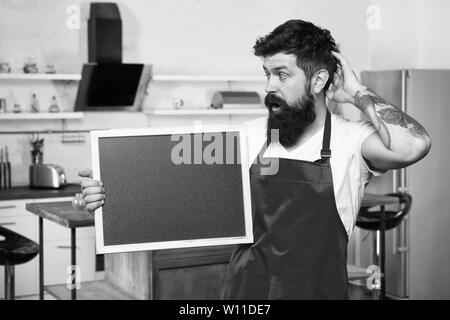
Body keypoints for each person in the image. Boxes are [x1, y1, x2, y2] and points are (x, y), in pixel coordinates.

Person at [78, 20, 431, 300]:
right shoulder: (247, 136)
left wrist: (355, 92)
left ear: (319, 79)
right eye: (267, 74)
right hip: (246, 295)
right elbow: (166, 185)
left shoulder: (350, 140)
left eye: (282, 74)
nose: (269, 87)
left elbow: (413, 146)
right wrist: (109, 196)